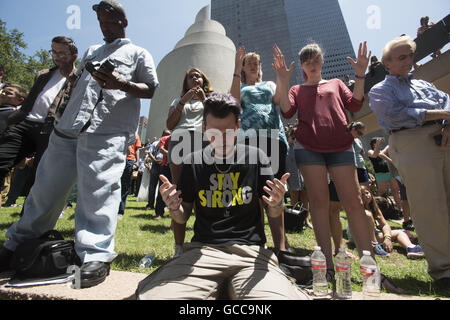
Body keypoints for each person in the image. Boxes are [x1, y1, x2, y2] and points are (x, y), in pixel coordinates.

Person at [0, 0, 159, 288]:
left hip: (107, 131)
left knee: (98, 193)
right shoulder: (91, 51)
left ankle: (95, 256)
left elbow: (150, 89)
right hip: (69, 128)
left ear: (123, 22)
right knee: (43, 191)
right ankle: (16, 246)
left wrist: (120, 84)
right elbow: (77, 85)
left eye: (109, 21)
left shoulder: (138, 53)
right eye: (100, 22)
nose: (103, 27)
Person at [136, 92, 310, 300]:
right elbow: (183, 216)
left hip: (251, 253)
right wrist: (174, 207)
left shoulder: (256, 157)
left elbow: (273, 211)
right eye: (214, 132)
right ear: (203, 129)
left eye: (227, 132)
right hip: (203, 253)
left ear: (237, 126)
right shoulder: (193, 161)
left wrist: (276, 204)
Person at [274, 41, 375, 276]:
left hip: (341, 147)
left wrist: (360, 75)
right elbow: (287, 112)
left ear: (322, 60)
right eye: (306, 60)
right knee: (318, 204)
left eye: (315, 58)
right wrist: (283, 80)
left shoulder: (336, 84)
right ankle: (327, 266)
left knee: (354, 203)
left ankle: (370, 267)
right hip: (308, 148)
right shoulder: (296, 89)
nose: (312, 62)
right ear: (301, 66)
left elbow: (355, 104)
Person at [369, 34, 450, 288]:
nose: (408, 60)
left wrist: (447, 122)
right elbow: (395, 116)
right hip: (412, 142)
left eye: (410, 55)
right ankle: (444, 270)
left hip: (444, 137)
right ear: (387, 63)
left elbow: (448, 102)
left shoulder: (426, 85)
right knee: (430, 206)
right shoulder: (380, 90)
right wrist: (442, 114)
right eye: (402, 57)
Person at [230, 45, 291, 252]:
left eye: (257, 63)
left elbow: (279, 101)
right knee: (252, 192)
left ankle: (281, 245)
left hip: (273, 138)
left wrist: (282, 77)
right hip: (247, 141)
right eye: (249, 63)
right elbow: (234, 103)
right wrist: (237, 69)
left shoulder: (269, 84)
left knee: (274, 191)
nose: (254, 65)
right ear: (244, 67)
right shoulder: (240, 85)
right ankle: (255, 239)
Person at [0, 37, 77, 194]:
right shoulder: (43, 74)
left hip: (50, 129)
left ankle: (29, 217)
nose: (56, 56)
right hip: (24, 123)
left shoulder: (78, 78)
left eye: (61, 53)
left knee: (41, 175)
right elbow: (31, 99)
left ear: (73, 55)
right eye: (53, 51)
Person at [166, 68, 213, 255]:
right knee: (179, 191)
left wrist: (204, 100)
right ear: (185, 82)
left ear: (203, 80)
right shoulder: (177, 101)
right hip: (180, 142)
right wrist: (182, 102)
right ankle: (178, 246)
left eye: (198, 75)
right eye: (191, 76)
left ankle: (204, 237)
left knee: (206, 188)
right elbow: (169, 125)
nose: (195, 78)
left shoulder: (210, 99)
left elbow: (216, 119)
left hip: (203, 142)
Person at [358, 186, 424, 259]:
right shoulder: (358, 208)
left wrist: (387, 238)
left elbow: (385, 225)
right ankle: (375, 245)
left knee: (399, 233)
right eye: (362, 194)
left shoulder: (373, 207)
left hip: (374, 234)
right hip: (361, 236)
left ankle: (411, 248)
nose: (366, 196)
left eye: (367, 193)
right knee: (368, 215)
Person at [367, 137, 402, 210]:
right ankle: (383, 210)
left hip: (389, 173)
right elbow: (375, 154)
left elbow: (387, 147)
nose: (379, 144)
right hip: (380, 174)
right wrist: (378, 144)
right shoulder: (370, 151)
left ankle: (400, 209)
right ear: (373, 144)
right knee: (383, 193)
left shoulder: (381, 151)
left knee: (395, 191)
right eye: (376, 143)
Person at [118, 133, 142, 219]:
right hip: (118, 158)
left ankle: (120, 211)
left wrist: (137, 162)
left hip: (129, 161)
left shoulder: (136, 135)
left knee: (125, 186)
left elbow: (137, 149)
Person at [348, 122, 370, 188]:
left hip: (361, 167)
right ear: (353, 129)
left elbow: (362, 153)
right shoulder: (345, 138)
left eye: (362, 134)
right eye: (359, 133)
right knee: (355, 189)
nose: (360, 136)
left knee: (366, 188)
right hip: (350, 168)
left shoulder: (358, 140)